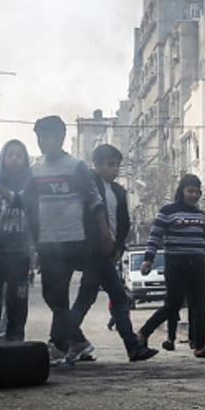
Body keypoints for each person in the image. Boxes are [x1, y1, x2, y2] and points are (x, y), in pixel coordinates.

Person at [22, 115, 112, 365]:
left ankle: (60, 344)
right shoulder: (35, 169)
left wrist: (105, 233)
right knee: (54, 297)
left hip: (73, 238)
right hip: (48, 241)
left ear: (60, 137)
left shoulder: (75, 167)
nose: (42, 141)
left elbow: (95, 200)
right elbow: (24, 200)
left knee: (58, 295)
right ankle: (76, 341)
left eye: (47, 136)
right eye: (38, 136)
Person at [67, 144, 157, 361]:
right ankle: (132, 346)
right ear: (96, 164)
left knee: (89, 299)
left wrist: (119, 247)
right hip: (93, 251)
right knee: (114, 297)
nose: (114, 169)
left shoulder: (118, 191)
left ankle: (65, 340)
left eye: (117, 165)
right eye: (110, 165)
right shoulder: (90, 184)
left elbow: (123, 223)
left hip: (108, 253)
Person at [137, 174, 205, 358]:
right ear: (182, 191)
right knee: (172, 306)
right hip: (176, 265)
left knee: (202, 306)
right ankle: (143, 333)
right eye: (190, 191)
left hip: (198, 266)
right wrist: (147, 259)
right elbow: (155, 237)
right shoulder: (167, 211)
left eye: (197, 192)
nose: (194, 195)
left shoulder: (201, 215)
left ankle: (200, 346)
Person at [0, 139, 36, 342]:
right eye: (10, 155)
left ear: (25, 160)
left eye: (19, 155)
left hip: (19, 255)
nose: (14, 159)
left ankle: (16, 345)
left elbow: (26, 210)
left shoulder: (30, 186)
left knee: (18, 304)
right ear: (2, 158)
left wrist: (33, 252)